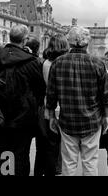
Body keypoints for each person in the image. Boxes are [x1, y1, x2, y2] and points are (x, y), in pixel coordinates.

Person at [46, 26, 108, 176]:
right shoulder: (97, 63)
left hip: (67, 119)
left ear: (69, 43)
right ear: (87, 42)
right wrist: (106, 116)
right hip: (92, 120)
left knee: (68, 163)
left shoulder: (58, 63)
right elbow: (106, 95)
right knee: (90, 162)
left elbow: (51, 94)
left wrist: (50, 116)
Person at [0, 25, 46, 176]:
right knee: (21, 153)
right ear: (25, 40)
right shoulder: (32, 61)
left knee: (3, 150)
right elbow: (40, 90)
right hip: (24, 115)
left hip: (0, 113)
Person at [34, 34, 69, 176]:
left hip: (46, 106)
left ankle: (40, 171)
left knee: (43, 144)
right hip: (62, 106)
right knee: (58, 144)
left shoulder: (44, 63)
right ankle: (55, 169)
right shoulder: (65, 63)